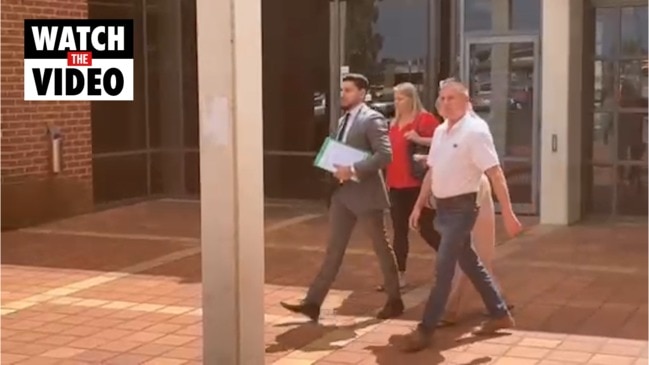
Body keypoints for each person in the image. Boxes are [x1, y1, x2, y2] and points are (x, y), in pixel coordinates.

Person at [396, 79, 522, 352]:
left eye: (452, 97)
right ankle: (500, 314)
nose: (445, 102)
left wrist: (509, 214)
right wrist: (418, 205)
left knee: (444, 269)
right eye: (442, 97)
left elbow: (495, 173)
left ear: (467, 102)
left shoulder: (475, 131)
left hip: (463, 209)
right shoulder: (441, 131)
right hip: (442, 208)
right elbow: (432, 170)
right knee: (472, 264)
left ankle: (425, 329)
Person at [280, 73, 404, 321]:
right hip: (342, 193)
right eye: (342, 90)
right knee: (333, 250)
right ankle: (313, 302)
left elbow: (385, 156)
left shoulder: (372, 120)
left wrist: (354, 169)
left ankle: (395, 300)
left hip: (366, 195)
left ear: (362, 93)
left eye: (348, 90)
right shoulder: (343, 120)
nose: (342, 94)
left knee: (381, 248)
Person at [377, 82, 441, 291]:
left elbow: (441, 141)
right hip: (396, 184)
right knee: (399, 231)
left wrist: (418, 137)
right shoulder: (393, 123)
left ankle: (454, 259)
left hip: (417, 184)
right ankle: (399, 276)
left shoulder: (424, 119)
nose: (397, 102)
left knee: (425, 228)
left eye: (401, 98)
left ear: (412, 99)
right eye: (395, 99)